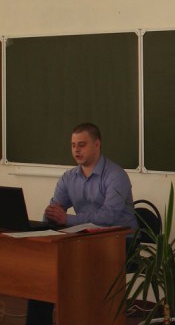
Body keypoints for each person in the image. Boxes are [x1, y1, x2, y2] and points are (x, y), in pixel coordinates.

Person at [26, 122, 138, 325]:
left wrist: (67, 219)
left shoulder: (116, 175)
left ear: (97, 144)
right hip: (85, 239)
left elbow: (109, 217)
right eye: (73, 145)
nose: (76, 150)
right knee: (43, 273)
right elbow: (55, 210)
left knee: (76, 269)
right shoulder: (69, 177)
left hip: (121, 240)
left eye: (82, 145)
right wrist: (50, 217)